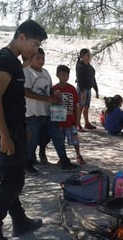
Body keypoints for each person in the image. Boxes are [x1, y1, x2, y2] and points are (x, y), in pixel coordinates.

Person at [0, 20, 47, 240]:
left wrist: (22, 127)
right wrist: (5, 136)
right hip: (5, 132)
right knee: (10, 182)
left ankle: (19, 221)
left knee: (15, 178)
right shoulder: (4, 61)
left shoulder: (15, 63)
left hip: (16, 129)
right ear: (21, 37)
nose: (35, 50)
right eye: (33, 44)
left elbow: (14, 100)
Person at [24, 47, 78, 176]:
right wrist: (47, 98)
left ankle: (64, 161)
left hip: (48, 113)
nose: (40, 61)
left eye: (42, 58)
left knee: (57, 136)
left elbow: (50, 90)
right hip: (33, 114)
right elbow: (26, 92)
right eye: (37, 58)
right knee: (33, 140)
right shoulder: (27, 72)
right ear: (31, 58)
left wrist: (55, 96)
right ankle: (27, 163)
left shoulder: (46, 73)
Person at [53, 65, 86, 165]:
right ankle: (62, 157)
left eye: (67, 75)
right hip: (59, 121)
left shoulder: (72, 89)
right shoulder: (54, 89)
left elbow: (76, 104)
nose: (65, 77)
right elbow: (51, 103)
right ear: (57, 75)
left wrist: (77, 119)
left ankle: (78, 155)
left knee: (75, 139)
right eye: (63, 75)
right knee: (60, 141)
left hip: (71, 120)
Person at [75, 48, 98, 132]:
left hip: (89, 89)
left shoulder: (89, 66)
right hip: (82, 89)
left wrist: (96, 90)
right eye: (87, 55)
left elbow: (93, 78)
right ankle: (77, 124)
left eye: (89, 55)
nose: (89, 57)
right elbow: (80, 79)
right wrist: (82, 91)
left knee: (86, 106)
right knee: (80, 107)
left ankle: (86, 122)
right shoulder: (80, 66)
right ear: (82, 56)